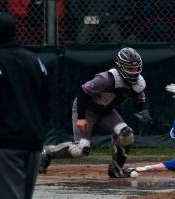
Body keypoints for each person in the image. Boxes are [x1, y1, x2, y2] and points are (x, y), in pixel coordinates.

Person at [39, 47, 152, 178]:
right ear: (120, 67)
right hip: (87, 109)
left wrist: (141, 110)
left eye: (136, 69)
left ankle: (116, 169)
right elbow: (82, 92)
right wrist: (81, 117)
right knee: (81, 150)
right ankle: (48, 152)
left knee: (126, 135)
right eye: (130, 69)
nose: (134, 73)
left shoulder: (139, 83)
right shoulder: (106, 79)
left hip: (106, 111)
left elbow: (139, 101)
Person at [0, 13, 49, 199]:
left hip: (5, 142)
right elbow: (46, 101)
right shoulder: (35, 61)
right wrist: (39, 131)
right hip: (33, 140)